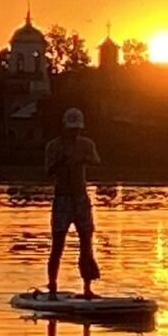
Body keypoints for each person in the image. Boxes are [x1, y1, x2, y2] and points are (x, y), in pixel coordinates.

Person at [45, 108, 101, 300]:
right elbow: (48, 171)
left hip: (81, 198)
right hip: (62, 199)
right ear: (64, 127)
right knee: (58, 245)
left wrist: (80, 159)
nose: (74, 133)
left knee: (86, 243)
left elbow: (96, 160)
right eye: (71, 129)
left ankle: (87, 288)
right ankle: (52, 286)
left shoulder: (86, 144)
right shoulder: (54, 146)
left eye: (77, 129)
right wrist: (62, 163)